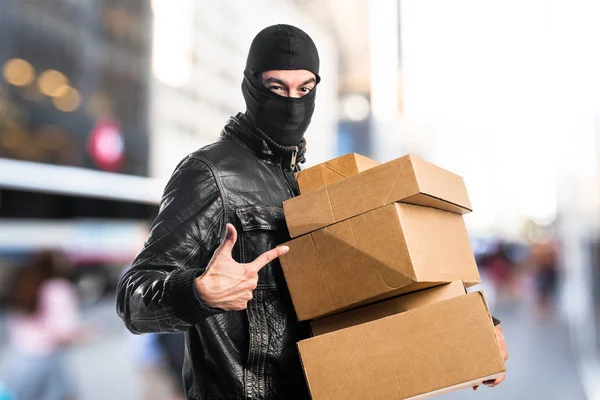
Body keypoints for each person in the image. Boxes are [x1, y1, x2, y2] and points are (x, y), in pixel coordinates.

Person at [116, 24, 508, 399]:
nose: (292, 104)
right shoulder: (210, 174)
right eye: (277, 88)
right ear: (251, 87)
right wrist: (198, 292)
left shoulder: (306, 183)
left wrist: (473, 327)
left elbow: (375, 278)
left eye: (305, 88)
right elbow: (132, 298)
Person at [5, 250, 89, 400]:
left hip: (22, 360)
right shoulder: (59, 289)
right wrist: (88, 333)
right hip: (48, 360)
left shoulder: (26, 285)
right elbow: (65, 331)